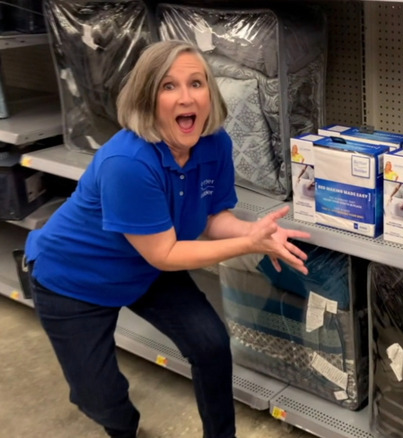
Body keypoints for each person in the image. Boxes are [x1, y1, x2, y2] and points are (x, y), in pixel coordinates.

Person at [24, 40, 310, 438]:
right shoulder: (128, 162)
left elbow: (211, 217)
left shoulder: (214, 144)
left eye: (197, 83)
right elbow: (165, 253)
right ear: (146, 97)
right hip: (75, 279)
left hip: (143, 267)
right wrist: (248, 245)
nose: (186, 97)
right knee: (104, 401)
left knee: (210, 344)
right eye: (168, 86)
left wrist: (253, 231)